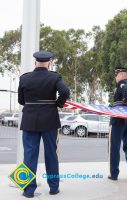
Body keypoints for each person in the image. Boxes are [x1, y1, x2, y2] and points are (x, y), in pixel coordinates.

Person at [18, 51, 70, 198]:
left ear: (35, 63)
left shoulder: (25, 78)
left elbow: (21, 101)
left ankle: (28, 191)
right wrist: (57, 104)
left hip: (29, 121)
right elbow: (65, 91)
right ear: (49, 63)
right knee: (51, 154)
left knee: (29, 155)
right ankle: (54, 188)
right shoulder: (54, 77)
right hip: (49, 121)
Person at [108, 66, 127, 180]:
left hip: (118, 120)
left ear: (120, 74)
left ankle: (114, 174)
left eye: (116, 75)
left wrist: (119, 104)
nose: (115, 77)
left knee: (114, 147)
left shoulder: (122, 84)